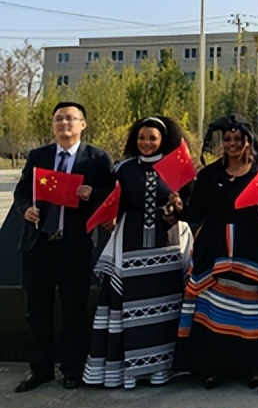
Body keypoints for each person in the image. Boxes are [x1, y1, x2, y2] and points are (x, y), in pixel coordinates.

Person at [83, 115, 194, 389]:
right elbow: (113, 200)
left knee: (166, 309)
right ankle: (130, 372)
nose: (146, 143)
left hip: (168, 247)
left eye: (152, 138)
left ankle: (161, 370)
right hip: (130, 244)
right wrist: (102, 207)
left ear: (163, 140)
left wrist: (179, 206)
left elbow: (191, 202)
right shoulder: (124, 168)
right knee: (130, 308)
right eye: (141, 137)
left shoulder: (176, 166)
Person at [11, 102, 114, 392]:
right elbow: (21, 192)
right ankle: (40, 369)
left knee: (74, 310)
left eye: (70, 118)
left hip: (74, 246)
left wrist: (93, 193)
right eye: (59, 119)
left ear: (82, 124)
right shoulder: (39, 156)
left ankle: (72, 368)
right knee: (37, 310)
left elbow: (112, 194)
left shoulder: (97, 158)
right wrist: (26, 209)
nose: (64, 123)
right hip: (39, 244)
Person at [176, 114, 258, 389]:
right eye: (227, 139)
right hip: (214, 249)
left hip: (251, 248)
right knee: (214, 308)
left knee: (250, 308)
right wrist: (178, 209)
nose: (232, 144)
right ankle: (214, 367)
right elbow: (196, 212)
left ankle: (252, 367)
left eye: (237, 139)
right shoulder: (208, 175)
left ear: (248, 142)